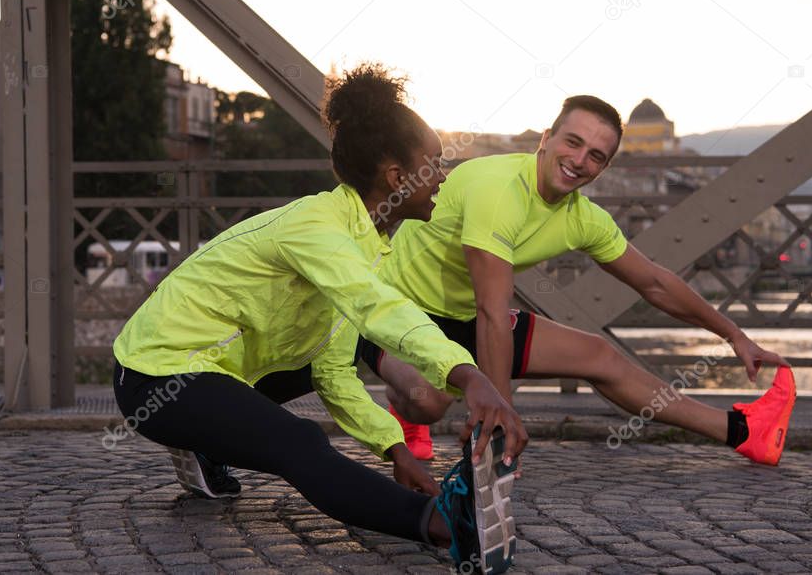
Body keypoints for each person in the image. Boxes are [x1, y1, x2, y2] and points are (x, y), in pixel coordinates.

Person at [112, 63, 526, 573]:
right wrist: (468, 374)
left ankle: (205, 444)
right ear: (398, 177)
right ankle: (441, 523)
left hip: (219, 370)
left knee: (318, 363)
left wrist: (395, 449)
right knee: (299, 442)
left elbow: (330, 370)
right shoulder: (317, 227)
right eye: (435, 164)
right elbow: (378, 307)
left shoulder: (367, 244)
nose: (443, 177)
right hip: (155, 375)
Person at [360, 94, 796, 466]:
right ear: (546, 140)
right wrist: (503, 430)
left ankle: (743, 431)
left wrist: (734, 335)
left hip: (464, 319)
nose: (579, 161)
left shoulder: (584, 219)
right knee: (430, 399)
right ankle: (406, 413)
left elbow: (655, 283)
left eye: (596, 156)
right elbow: (492, 313)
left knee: (601, 355)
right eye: (573, 142)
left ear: (603, 168)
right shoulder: (497, 189)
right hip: (395, 311)